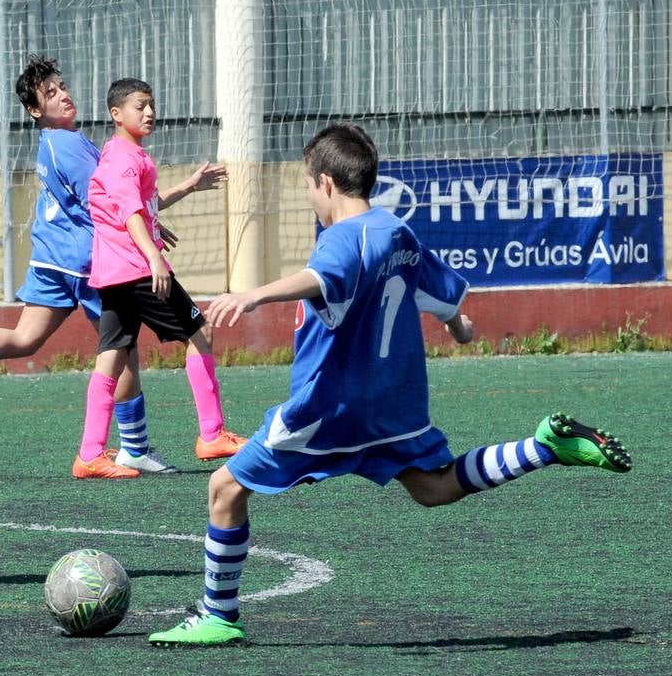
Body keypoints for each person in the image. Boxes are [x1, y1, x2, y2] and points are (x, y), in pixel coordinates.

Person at [147, 123, 632, 648]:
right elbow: (442, 295)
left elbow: (323, 276)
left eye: (308, 185)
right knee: (434, 487)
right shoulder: (397, 232)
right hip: (394, 407)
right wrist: (458, 326)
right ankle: (544, 447)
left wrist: (253, 295)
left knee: (224, 487)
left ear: (326, 183)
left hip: (330, 410)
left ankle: (219, 613)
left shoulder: (340, 239)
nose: (310, 196)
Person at [0, 56, 175, 477]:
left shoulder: (56, 141)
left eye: (62, 86)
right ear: (34, 110)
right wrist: (147, 233)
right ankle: (133, 448)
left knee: (25, 337)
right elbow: (109, 202)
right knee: (124, 352)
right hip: (85, 261)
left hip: (50, 257)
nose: (63, 95)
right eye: (50, 93)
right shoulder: (66, 144)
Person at [75, 77, 244, 479]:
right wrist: (153, 256)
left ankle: (89, 455)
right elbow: (131, 213)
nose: (149, 112)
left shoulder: (128, 156)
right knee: (200, 331)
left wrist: (189, 186)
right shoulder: (121, 157)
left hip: (115, 272)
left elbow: (143, 205)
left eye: (151, 105)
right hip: (135, 270)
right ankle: (212, 434)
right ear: (117, 115)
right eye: (139, 106)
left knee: (112, 356)